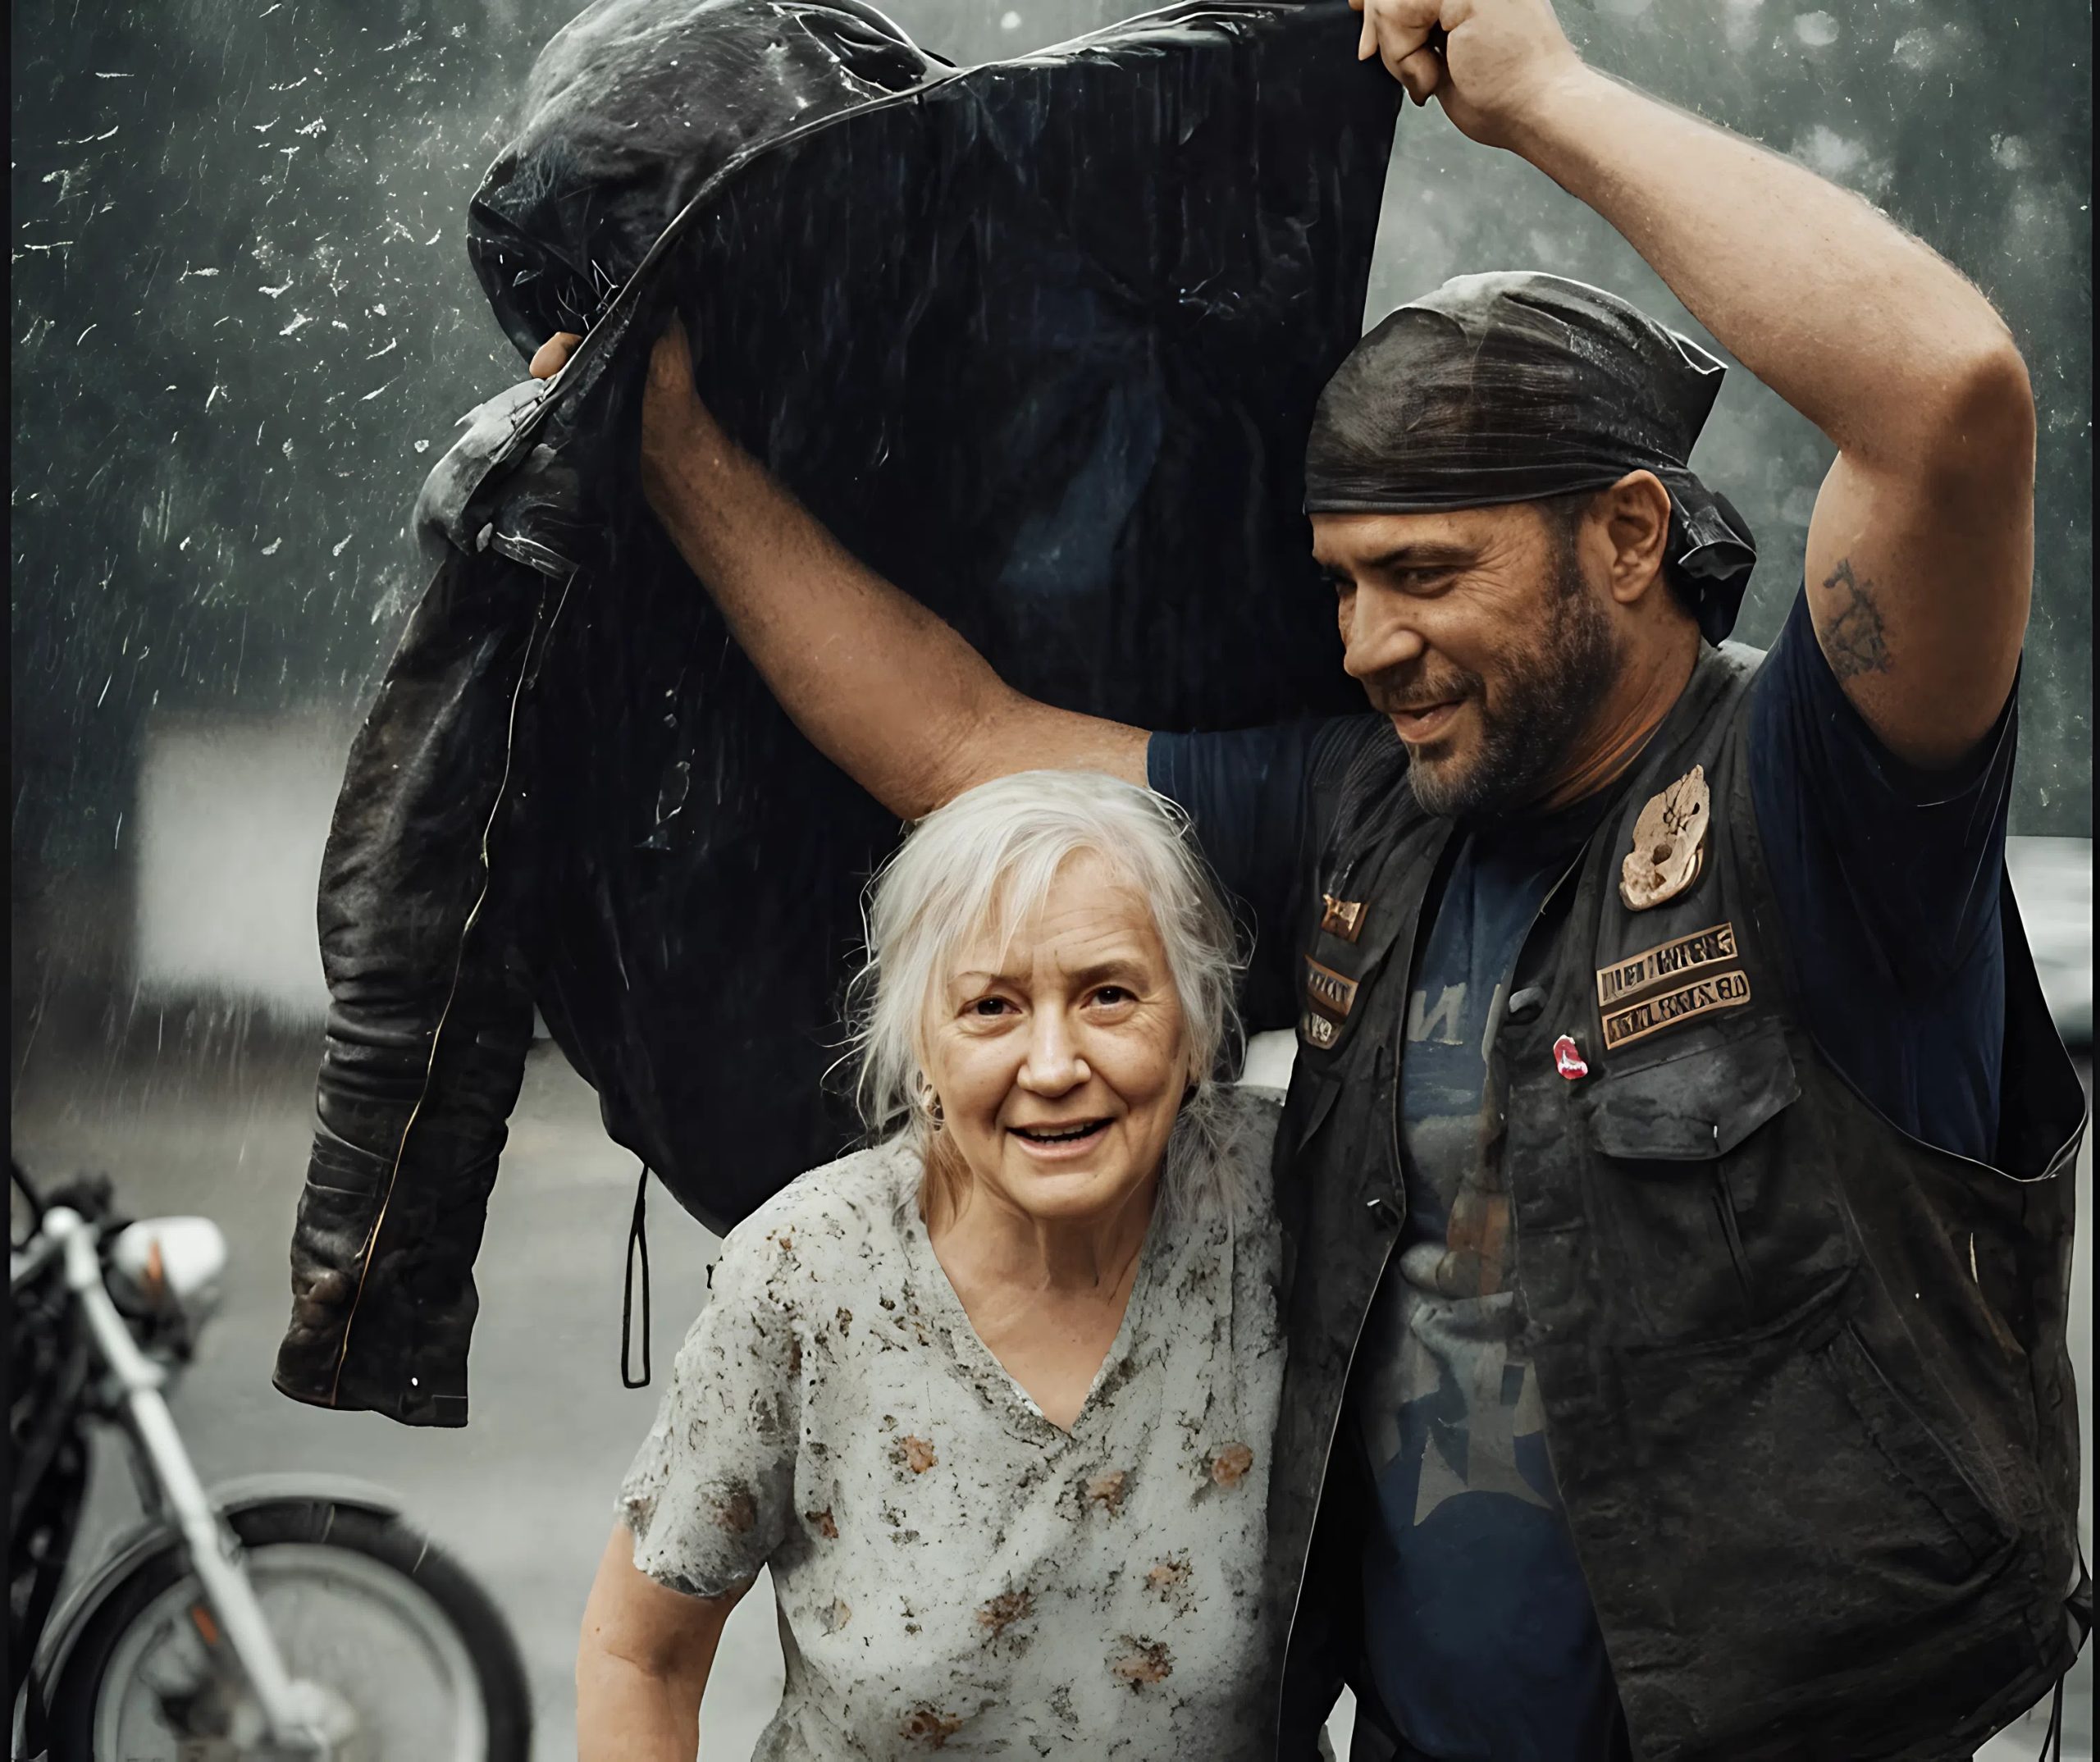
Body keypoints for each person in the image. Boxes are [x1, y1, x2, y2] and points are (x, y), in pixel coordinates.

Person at [540, 0, 2090, 1755]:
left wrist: (1548, 101)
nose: (1365, 644)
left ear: (1630, 537)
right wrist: (664, 443)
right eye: (1339, 583)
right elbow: (961, 744)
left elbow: (1949, 401)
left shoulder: (1821, 797)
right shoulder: (1372, 810)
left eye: (1421, 572)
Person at [573, 770, 1285, 1760]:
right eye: (991, 1008)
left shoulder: (1285, 1205)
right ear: (919, 1047)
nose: (1050, 1066)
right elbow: (638, 1658)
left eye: (1109, 995)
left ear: (1197, 1024)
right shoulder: (806, 1277)